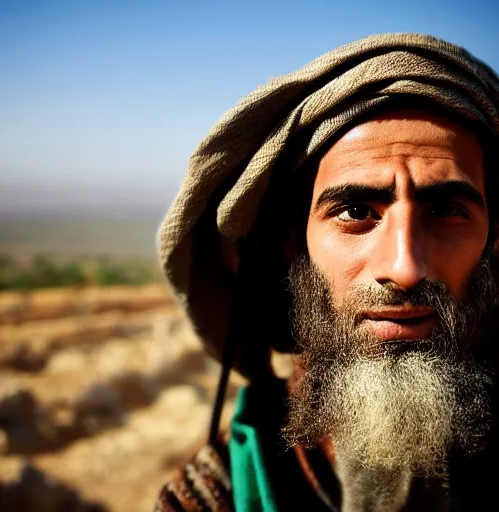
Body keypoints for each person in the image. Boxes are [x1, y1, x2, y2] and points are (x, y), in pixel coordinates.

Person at [155, 33, 499, 511]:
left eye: (446, 212)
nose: (403, 268)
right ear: (295, 240)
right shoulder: (218, 496)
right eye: (356, 210)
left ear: (494, 239)